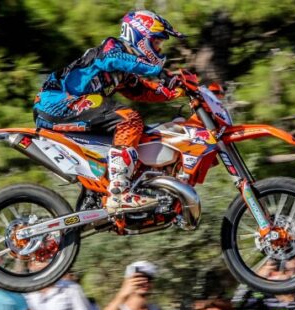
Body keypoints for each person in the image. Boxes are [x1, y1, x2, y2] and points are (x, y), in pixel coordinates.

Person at [32, 10, 185, 213]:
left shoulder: (123, 70)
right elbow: (112, 59)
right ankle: (119, 192)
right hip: (57, 102)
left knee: (129, 134)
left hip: (66, 107)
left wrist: (179, 89)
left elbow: (141, 90)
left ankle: (98, 195)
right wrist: (158, 71)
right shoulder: (112, 48)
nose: (159, 48)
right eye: (156, 42)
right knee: (129, 120)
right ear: (140, 36)